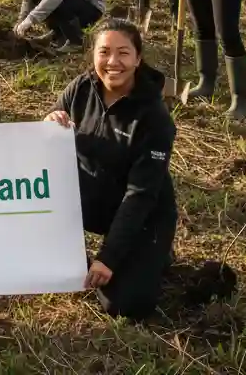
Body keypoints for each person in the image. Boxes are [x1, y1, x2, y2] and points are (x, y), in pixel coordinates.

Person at [46, 19, 177, 321]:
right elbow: (51, 130)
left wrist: (108, 257)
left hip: (142, 213)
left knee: (124, 305)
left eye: (123, 53)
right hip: (93, 199)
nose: (113, 62)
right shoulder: (81, 88)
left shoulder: (154, 118)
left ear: (138, 58)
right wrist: (50, 122)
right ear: (93, 55)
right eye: (104, 52)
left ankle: (155, 252)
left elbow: (140, 194)